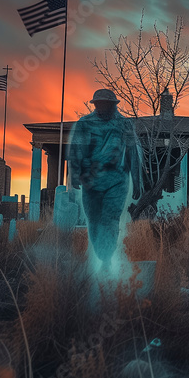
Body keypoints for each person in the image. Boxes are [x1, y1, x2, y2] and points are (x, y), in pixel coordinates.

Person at [68, 89, 143, 271]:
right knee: (93, 220)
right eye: (99, 104)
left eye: (106, 104)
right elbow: (76, 150)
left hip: (116, 181)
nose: (102, 108)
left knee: (110, 219)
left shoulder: (124, 124)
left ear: (113, 105)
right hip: (90, 182)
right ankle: (101, 255)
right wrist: (75, 174)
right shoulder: (84, 123)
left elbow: (133, 152)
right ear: (94, 104)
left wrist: (137, 179)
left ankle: (107, 258)